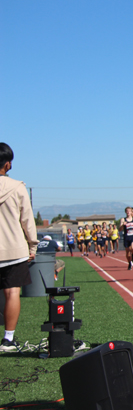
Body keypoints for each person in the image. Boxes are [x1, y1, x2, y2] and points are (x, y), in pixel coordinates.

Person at [0, 143, 39, 352]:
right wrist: (32, 246)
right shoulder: (17, 187)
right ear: (8, 164)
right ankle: (8, 339)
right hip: (13, 249)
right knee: (12, 292)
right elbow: (27, 221)